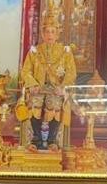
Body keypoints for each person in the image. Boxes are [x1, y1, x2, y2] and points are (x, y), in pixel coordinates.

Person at [18, 12, 77, 152]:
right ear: (43, 34)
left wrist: (62, 87)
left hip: (56, 89)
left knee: (55, 102)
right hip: (38, 88)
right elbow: (25, 71)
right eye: (47, 32)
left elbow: (71, 72)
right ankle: (36, 140)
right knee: (34, 102)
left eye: (53, 31)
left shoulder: (65, 52)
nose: (50, 35)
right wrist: (32, 84)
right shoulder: (34, 51)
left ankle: (52, 140)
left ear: (57, 34)